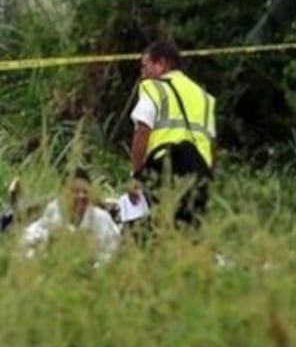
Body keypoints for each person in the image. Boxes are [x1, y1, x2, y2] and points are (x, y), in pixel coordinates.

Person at [130, 40, 216, 227]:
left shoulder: (154, 88)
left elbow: (142, 130)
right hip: (200, 174)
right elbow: (211, 142)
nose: (142, 73)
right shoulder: (203, 96)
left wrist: (137, 175)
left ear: (161, 63)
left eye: (145, 66)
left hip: (165, 169)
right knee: (190, 234)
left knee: (158, 230)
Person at [21, 168, 121, 264]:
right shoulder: (54, 211)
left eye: (85, 192)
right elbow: (30, 239)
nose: (81, 196)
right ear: (63, 192)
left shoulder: (100, 218)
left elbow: (111, 253)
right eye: (75, 191)